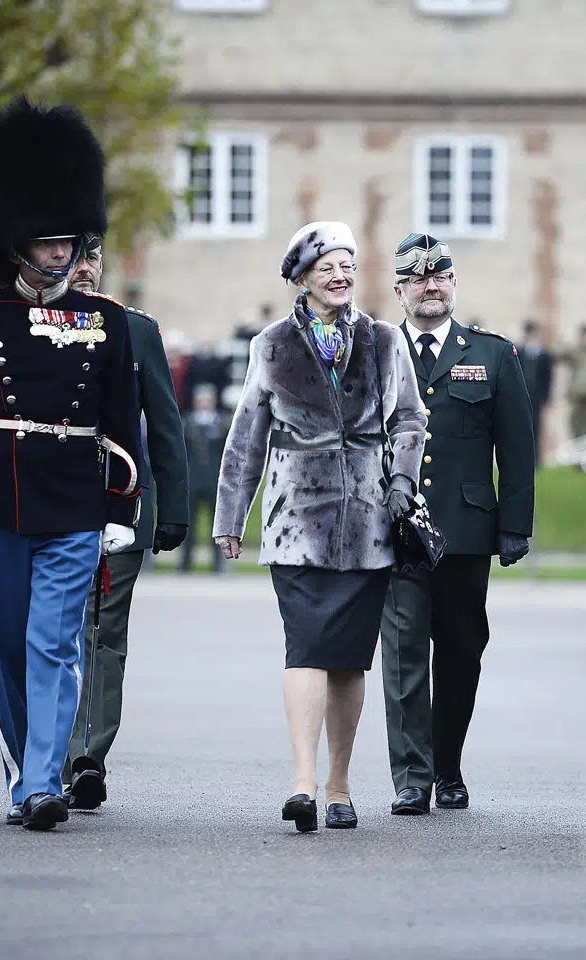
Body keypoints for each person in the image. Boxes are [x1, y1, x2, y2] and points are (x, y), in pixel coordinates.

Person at [0, 97, 145, 831]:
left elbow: (120, 420)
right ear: (15, 241)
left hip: (73, 499)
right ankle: (23, 771)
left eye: (65, 241)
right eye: (44, 242)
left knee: (53, 643)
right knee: (9, 646)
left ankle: (44, 782)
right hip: (2, 502)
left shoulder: (104, 319)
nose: (57, 253)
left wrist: (119, 514)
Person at [214, 220, 426, 833]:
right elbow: (245, 441)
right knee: (305, 645)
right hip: (295, 521)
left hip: (368, 520)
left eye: (348, 265)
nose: (340, 276)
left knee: (349, 661)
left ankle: (339, 783)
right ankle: (303, 782)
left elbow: (411, 420)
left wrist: (402, 483)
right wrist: (232, 517)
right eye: (327, 266)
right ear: (301, 277)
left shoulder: (386, 340)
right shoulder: (271, 346)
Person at [378, 232, 536, 815]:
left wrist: (514, 523)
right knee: (404, 652)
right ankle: (412, 778)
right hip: (394, 528)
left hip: (466, 532)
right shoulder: (377, 349)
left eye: (440, 276)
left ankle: (449, 767)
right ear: (399, 290)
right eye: (418, 279)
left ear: (453, 284)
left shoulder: (490, 354)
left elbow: (517, 446)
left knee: (462, 651)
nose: (430, 286)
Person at [60, 236, 189, 811]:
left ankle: (86, 758)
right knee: (52, 634)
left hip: (122, 504)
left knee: (104, 635)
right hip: (47, 505)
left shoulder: (137, 330)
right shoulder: (21, 325)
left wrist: (175, 510)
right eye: (71, 256)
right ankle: (44, 759)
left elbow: (164, 423)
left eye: (92, 259)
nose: (83, 269)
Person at [179, 384, 228, 574]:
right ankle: (185, 563)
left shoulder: (222, 423)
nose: (204, 403)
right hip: (193, 480)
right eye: (201, 400)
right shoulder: (187, 423)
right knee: (189, 525)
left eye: (207, 399)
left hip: (215, 481)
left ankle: (218, 564)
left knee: (217, 527)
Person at [516, 318, 554, 461]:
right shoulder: (518, 352)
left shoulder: (544, 355)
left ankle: (536, 458)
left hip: (536, 395)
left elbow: (548, 378)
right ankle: (521, 457)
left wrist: (546, 397)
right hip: (520, 395)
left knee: (536, 426)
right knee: (519, 426)